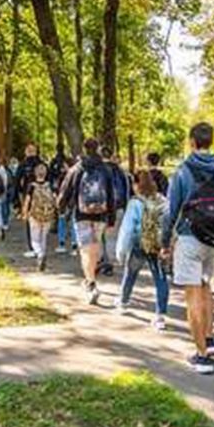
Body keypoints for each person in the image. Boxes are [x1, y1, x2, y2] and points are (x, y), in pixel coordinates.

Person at [161, 122, 214, 375]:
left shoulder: (183, 171)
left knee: (193, 295)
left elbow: (170, 211)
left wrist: (164, 243)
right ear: (211, 141)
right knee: (207, 288)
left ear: (192, 142)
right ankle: (209, 339)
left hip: (190, 238)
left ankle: (201, 356)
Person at [58, 138, 116, 305]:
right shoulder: (105, 169)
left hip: (81, 214)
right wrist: (111, 218)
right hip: (101, 215)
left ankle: (90, 283)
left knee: (85, 249)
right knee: (95, 248)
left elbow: (65, 191)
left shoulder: (77, 168)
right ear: (97, 149)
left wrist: (61, 209)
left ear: (84, 149)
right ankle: (91, 278)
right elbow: (111, 195)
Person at [115, 170, 170, 331]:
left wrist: (121, 252)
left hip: (140, 244)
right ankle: (160, 316)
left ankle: (123, 301)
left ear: (137, 184)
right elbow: (169, 223)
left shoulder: (135, 202)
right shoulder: (162, 200)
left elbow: (127, 230)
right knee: (160, 278)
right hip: (158, 245)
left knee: (131, 273)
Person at [97, 146, 131, 276]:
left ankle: (100, 260)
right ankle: (109, 263)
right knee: (112, 237)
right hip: (118, 208)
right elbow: (127, 191)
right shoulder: (120, 171)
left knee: (99, 237)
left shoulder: (97, 170)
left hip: (100, 208)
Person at [24, 163, 56, 271]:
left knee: (34, 239)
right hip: (47, 214)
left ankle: (39, 254)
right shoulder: (50, 185)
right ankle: (42, 256)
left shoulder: (32, 186)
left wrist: (25, 212)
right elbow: (55, 199)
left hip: (34, 214)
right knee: (43, 237)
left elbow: (27, 200)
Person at [17, 143, 44, 258]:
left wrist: (17, 199)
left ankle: (33, 247)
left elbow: (17, 180)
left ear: (26, 152)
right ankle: (41, 247)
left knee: (30, 222)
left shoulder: (23, 165)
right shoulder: (42, 164)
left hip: (28, 194)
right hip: (43, 195)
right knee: (43, 219)